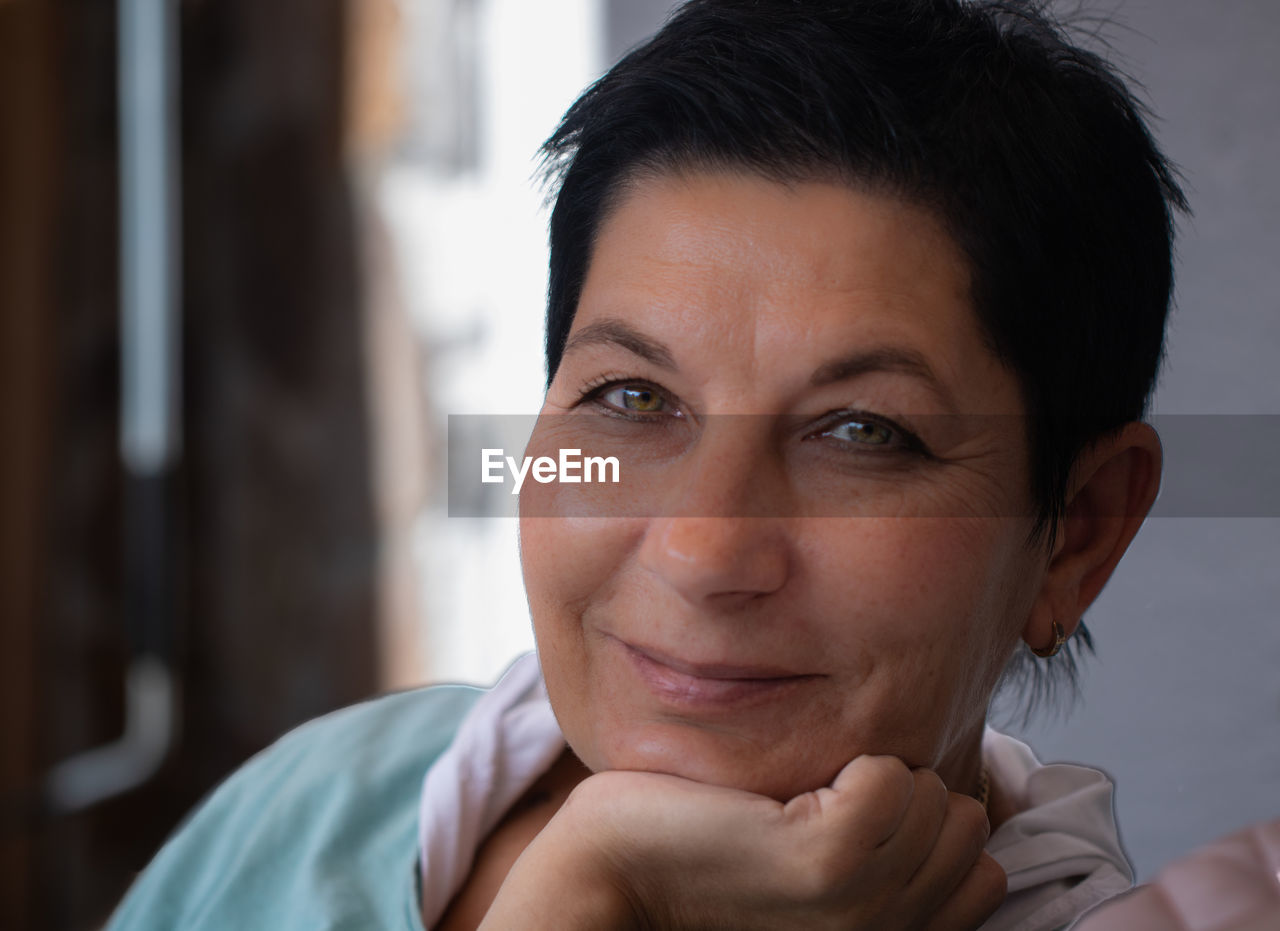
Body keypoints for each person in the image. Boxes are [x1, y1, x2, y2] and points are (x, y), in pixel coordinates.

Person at [107, 0, 1187, 928]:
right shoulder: (334, 793)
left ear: (1076, 530)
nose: (700, 546)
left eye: (861, 430)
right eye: (631, 399)